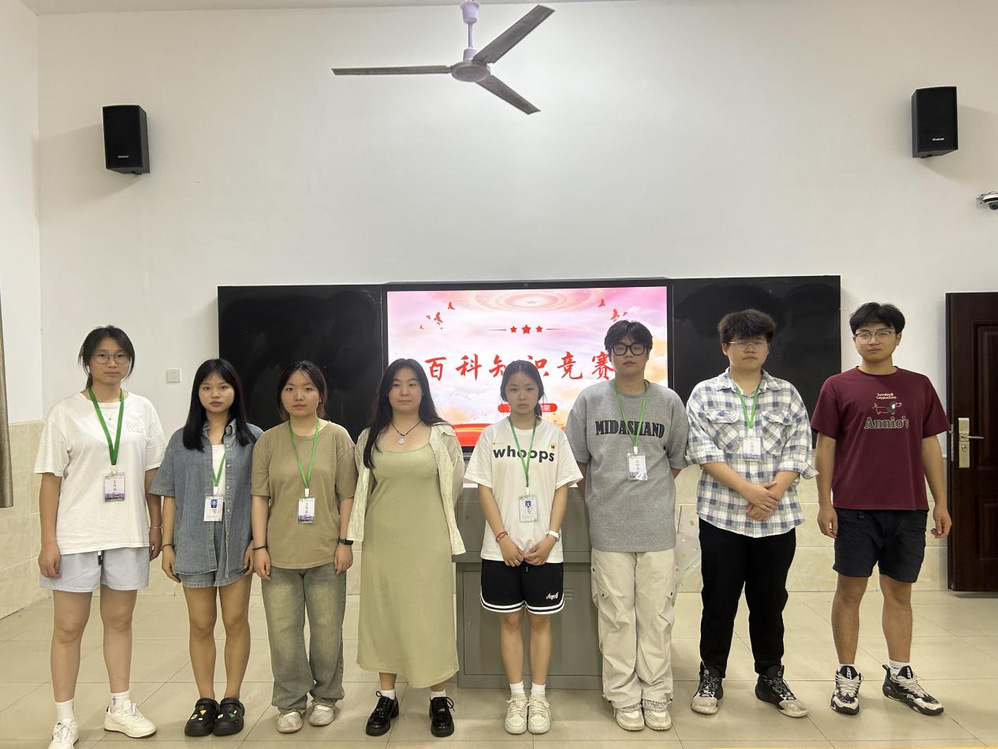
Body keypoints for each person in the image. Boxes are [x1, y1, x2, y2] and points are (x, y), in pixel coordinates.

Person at [813, 302, 951, 717]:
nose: (872, 340)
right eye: (864, 334)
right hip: (854, 508)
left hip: (908, 508)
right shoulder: (837, 386)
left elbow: (929, 446)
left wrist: (941, 502)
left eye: (882, 333)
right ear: (854, 340)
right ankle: (847, 675)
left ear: (898, 338)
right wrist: (825, 502)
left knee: (900, 594)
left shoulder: (919, 386)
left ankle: (899, 675)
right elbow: (825, 447)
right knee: (849, 592)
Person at [35, 325, 166, 749]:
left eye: (121, 356)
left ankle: (119, 706)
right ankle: (64, 719)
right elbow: (50, 481)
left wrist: (156, 524)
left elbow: (152, 474)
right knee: (68, 627)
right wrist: (48, 541)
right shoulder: (65, 412)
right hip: (75, 534)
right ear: (87, 361)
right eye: (103, 356)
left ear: (130, 362)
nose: (113, 364)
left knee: (120, 622)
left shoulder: (142, 409)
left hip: (127, 532)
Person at [685, 309, 815, 718]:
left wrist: (771, 494)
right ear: (726, 347)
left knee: (770, 602)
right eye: (742, 342)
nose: (750, 348)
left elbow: (799, 446)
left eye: (758, 341)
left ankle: (770, 676)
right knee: (718, 600)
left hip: (776, 518)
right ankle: (711, 675)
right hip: (722, 516)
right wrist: (748, 491)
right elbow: (701, 449)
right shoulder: (705, 393)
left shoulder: (787, 393)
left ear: (768, 347)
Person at [565, 320, 689, 732]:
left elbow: (674, 460)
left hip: (656, 527)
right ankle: (623, 695)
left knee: (657, 615)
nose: (629, 354)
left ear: (648, 353)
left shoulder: (668, 401)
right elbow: (577, 461)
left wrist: (647, 495)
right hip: (608, 527)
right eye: (620, 347)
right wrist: (603, 497)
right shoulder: (591, 399)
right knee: (617, 615)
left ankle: (655, 693)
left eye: (637, 347)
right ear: (609, 354)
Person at [348, 358, 465, 738]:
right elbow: (364, 488)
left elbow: (453, 486)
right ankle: (387, 696)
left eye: (412, 383)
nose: (404, 391)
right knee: (384, 614)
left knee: (429, 615)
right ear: (386, 391)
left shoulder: (442, 435)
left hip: (428, 541)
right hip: (382, 543)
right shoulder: (369, 437)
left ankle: (437, 697)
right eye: (396, 384)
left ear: (423, 390)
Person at [465, 360, 582, 735]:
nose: (521, 395)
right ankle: (517, 697)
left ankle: (539, 697)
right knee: (510, 621)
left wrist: (551, 537)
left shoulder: (555, 436)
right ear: (504, 393)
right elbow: (484, 489)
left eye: (529, 388)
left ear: (539, 392)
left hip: (545, 549)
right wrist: (502, 538)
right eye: (514, 388)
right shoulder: (491, 436)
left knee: (540, 621)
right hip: (501, 549)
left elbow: (563, 489)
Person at [151, 359, 261, 737]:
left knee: (235, 621)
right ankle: (205, 701)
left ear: (235, 392)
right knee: (200, 624)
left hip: (237, 542)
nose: (215, 394)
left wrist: (257, 541)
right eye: (207, 387)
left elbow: (263, 495)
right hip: (193, 541)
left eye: (223, 387)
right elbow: (170, 495)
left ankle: (232, 698)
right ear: (197, 393)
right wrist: (168, 544)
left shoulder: (253, 438)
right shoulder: (181, 440)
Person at [250, 361, 356, 734]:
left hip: (327, 553)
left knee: (327, 631)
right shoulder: (268, 441)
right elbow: (259, 497)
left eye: (308, 388)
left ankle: (326, 697)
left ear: (320, 395)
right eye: (291, 388)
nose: (299, 396)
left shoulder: (338, 437)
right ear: (281, 395)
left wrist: (345, 542)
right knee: (283, 633)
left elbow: (347, 496)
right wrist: (259, 547)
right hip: (278, 555)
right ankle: (290, 701)